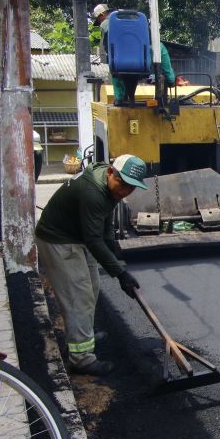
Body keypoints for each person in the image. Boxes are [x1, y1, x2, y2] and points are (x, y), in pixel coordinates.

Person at [35, 154, 148, 375]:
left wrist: (111, 242)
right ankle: (81, 359)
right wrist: (120, 273)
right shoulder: (92, 193)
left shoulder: (109, 187)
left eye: (131, 188)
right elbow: (93, 240)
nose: (124, 191)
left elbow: (105, 220)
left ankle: (83, 332)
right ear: (110, 173)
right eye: (122, 184)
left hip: (76, 236)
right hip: (58, 240)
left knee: (92, 287)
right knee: (78, 295)